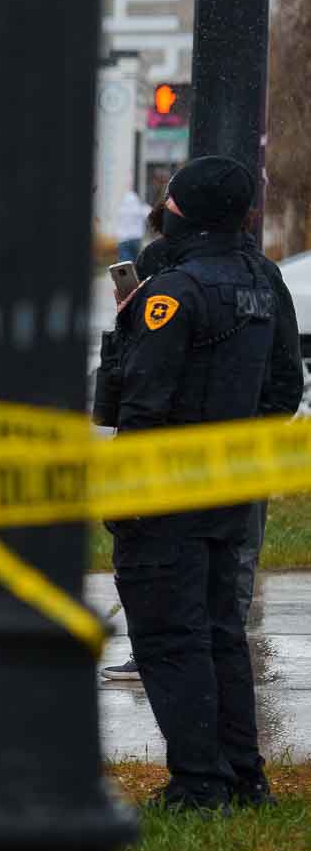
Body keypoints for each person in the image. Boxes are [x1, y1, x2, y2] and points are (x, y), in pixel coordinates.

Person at [109, 157, 287, 812]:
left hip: (167, 491)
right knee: (219, 632)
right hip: (231, 486)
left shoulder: (171, 292)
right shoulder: (265, 282)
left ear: (181, 208)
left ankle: (197, 783)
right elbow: (285, 389)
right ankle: (244, 777)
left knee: (167, 636)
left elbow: (138, 405)